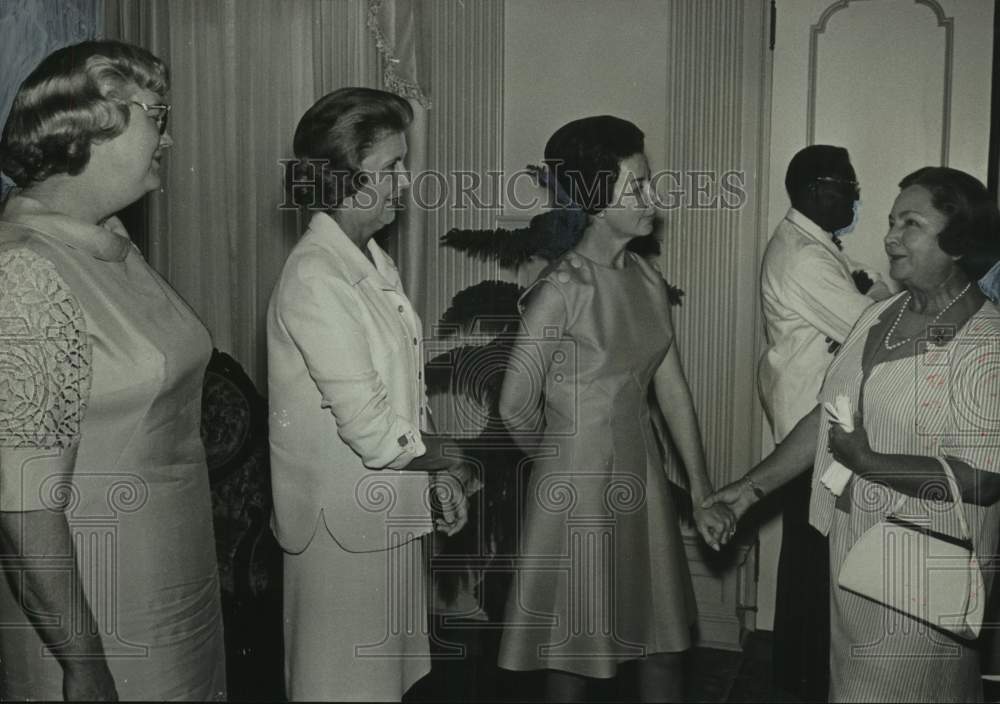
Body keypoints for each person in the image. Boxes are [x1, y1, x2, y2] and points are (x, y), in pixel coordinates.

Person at [708, 166, 1000, 702]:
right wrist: (749, 489)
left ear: (958, 240)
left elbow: (982, 479)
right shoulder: (881, 316)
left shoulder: (986, 342)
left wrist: (867, 462)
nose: (890, 236)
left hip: (924, 566)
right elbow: (827, 415)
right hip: (856, 556)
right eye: (892, 221)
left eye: (911, 223)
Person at [0, 40, 226, 700]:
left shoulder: (111, 237)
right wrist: (84, 665)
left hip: (177, 583)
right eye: (156, 114)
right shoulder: (22, 273)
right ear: (89, 125)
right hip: (96, 614)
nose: (170, 136)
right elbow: (24, 510)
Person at [495, 115, 734, 702]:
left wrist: (700, 491)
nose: (653, 199)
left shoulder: (646, 280)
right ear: (596, 201)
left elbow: (671, 391)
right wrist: (563, 464)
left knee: (662, 642)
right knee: (577, 653)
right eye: (637, 187)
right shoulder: (560, 291)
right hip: (579, 490)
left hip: (643, 479)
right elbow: (514, 405)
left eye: (649, 183)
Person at [267, 87, 471, 702]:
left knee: (385, 686)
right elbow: (374, 431)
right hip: (341, 533)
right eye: (391, 169)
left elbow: (402, 389)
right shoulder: (314, 276)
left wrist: (436, 479)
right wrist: (452, 456)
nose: (405, 182)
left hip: (387, 515)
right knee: (342, 687)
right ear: (343, 180)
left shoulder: (372, 259)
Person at [759, 144, 890, 700]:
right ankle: (801, 682)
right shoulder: (804, 257)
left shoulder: (815, 246)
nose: (857, 197)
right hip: (809, 431)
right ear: (818, 189)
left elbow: (869, 288)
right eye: (850, 186)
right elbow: (875, 324)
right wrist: (874, 294)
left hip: (813, 422)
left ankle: (802, 677)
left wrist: (871, 289)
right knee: (813, 566)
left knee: (813, 560)